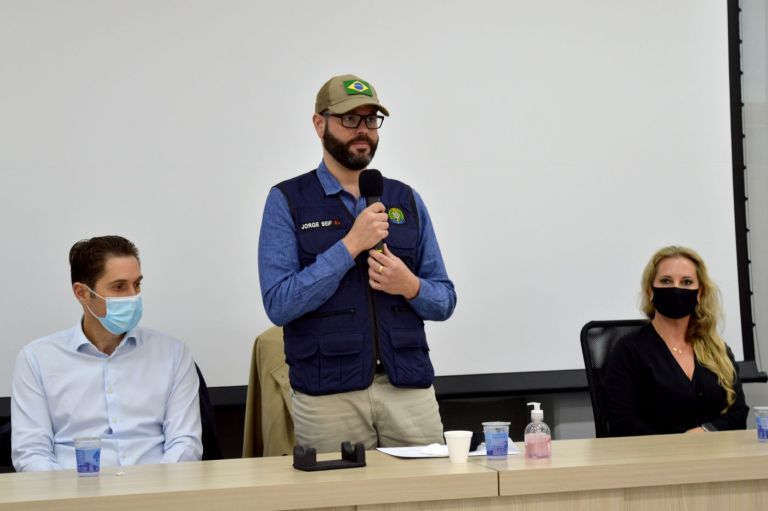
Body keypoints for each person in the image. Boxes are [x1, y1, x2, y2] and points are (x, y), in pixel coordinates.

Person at [258, 74, 456, 452]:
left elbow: (445, 300)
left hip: (408, 391)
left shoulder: (405, 199)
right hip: (328, 397)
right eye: (350, 119)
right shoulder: (287, 200)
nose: (362, 130)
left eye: (370, 120)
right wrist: (349, 246)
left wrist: (409, 285)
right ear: (320, 124)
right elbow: (279, 303)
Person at [11, 236, 202, 472]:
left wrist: (153, 494)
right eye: (120, 286)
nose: (133, 296)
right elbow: (31, 453)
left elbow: (185, 444)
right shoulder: (36, 360)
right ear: (82, 293)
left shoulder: (173, 353)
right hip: (72, 498)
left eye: (137, 284)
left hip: (156, 494)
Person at [603, 246, 748, 436]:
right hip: (653, 460)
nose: (676, 288)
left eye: (687, 282)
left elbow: (738, 414)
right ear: (650, 291)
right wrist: (677, 447)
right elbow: (622, 423)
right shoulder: (628, 350)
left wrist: (706, 431)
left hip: (713, 456)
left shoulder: (717, 349)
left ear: (699, 292)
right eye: (666, 281)